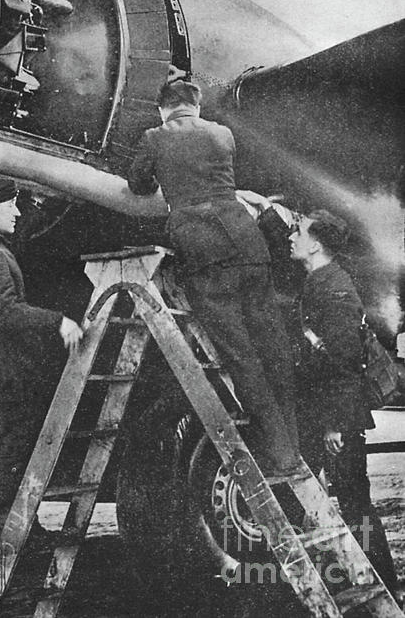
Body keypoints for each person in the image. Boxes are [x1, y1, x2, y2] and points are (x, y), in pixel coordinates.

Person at [127, 79, 301, 476]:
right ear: (196, 106)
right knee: (272, 345)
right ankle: (292, 441)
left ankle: (281, 455)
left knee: (241, 355)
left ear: (163, 109)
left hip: (203, 252)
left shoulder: (155, 137)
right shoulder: (222, 134)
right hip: (247, 244)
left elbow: (139, 183)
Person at [0, 173, 83, 540]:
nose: (17, 213)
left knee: (9, 449)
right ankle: (17, 531)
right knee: (14, 451)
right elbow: (6, 311)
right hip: (3, 369)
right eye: (11, 206)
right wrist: (59, 321)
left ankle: (20, 527)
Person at [289, 209, 398, 594]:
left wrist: (334, 423)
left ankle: (385, 582)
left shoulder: (332, 286)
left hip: (340, 416)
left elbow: (343, 357)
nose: (292, 238)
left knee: (355, 503)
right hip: (330, 412)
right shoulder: (322, 279)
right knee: (336, 500)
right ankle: (367, 579)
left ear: (316, 244)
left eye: (298, 233)